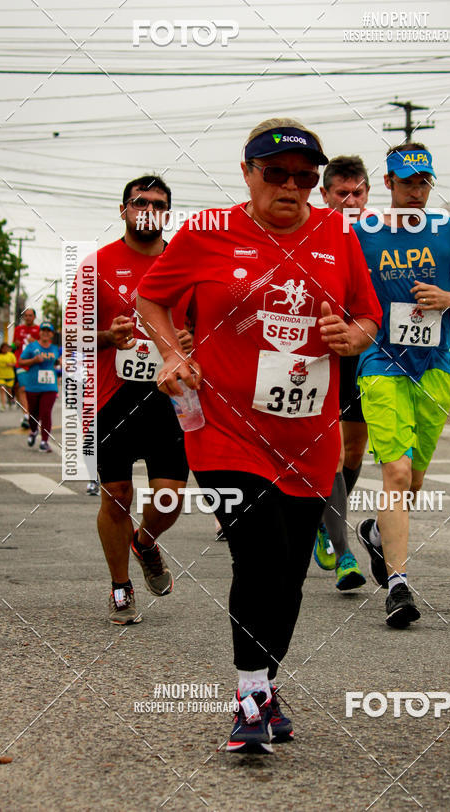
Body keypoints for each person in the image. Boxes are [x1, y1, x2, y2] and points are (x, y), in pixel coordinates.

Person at [137, 118, 381, 754]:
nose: (292, 187)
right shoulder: (205, 233)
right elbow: (151, 298)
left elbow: (367, 315)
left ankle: (265, 687)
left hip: (309, 434)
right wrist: (171, 354)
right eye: (277, 174)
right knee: (259, 554)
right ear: (248, 173)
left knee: (293, 573)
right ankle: (249, 699)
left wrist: (354, 337)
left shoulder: (337, 233)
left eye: (305, 178)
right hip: (224, 430)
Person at [354, 142, 450, 628]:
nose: (417, 190)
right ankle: (399, 585)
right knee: (398, 475)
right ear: (387, 184)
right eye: (407, 182)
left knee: (416, 480)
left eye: (424, 181)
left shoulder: (449, 230)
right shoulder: (362, 233)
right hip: (380, 363)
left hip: (434, 368)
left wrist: (448, 297)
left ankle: (376, 532)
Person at [92, 174, 192, 626]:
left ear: (166, 212)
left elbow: (217, 328)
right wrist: (107, 336)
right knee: (116, 494)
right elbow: (71, 337)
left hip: (170, 397)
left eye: (157, 203)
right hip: (113, 397)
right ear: (123, 209)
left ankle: (146, 543)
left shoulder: (187, 262)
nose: (147, 209)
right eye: (139, 201)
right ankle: (120, 585)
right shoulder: (97, 265)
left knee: (169, 497)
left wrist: (194, 341)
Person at [312, 155, 372, 590]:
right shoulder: (312, 230)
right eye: (342, 194)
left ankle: (321, 514)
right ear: (325, 194)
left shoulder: (378, 235)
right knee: (331, 452)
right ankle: (345, 551)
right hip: (321, 351)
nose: (352, 201)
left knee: (353, 452)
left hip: (365, 351)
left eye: (359, 192)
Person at [19, 322, 61, 450]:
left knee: (46, 413)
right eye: (43, 330)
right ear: (40, 332)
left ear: (52, 334)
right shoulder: (32, 347)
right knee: (33, 414)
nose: (45, 333)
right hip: (33, 385)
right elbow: (20, 361)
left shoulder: (55, 348)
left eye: (48, 331)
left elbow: (58, 362)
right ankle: (33, 430)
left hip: (50, 386)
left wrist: (59, 362)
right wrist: (33, 361)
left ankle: (44, 441)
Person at [13, 308, 40, 428]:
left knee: (34, 391)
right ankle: (26, 416)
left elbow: (45, 345)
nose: (28, 317)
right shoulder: (18, 329)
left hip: (35, 364)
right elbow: (12, 345)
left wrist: (34, 342)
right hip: (21, 363)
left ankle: (33, 414)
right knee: (23, 388)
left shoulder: (39, 330)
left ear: (34, 317)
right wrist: (15, 345)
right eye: (26, 315)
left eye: (30, 315)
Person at [0, 342, 17, 411]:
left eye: (6, 348)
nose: (5, 349)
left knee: (9, 391)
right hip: (1, 376)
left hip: (10, 376)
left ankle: (10, 401)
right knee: (2, 390)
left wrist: (10, 364)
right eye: (3, 348)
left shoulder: (11, 355)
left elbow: (15, 363)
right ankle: (3, 405)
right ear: (1, 349)